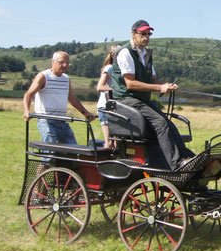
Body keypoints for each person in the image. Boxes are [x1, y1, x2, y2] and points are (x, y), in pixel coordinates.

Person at [110, 19, 194, 169]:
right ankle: (175, 164)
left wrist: (165, 85)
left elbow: (153, 79)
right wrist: (159, 88)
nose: (147, 37)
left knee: (168, 123)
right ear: (133, 34)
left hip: (140, 101)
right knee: (160, 123)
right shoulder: (125, 53)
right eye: (143, 34)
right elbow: (130, 83)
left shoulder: (146, 54)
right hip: (126, 100)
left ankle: (187, 157)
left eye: (149, 34)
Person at [23, 51, 96, 144]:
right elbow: (28, 95)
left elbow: (71, 98)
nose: (65, 65)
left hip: (62, 120)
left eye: (67, 63)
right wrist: (27, 111)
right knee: (50, 151)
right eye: (62, 62)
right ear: (53, 62)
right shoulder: (43, 77)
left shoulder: (66, 79)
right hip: (46, 120)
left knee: (73, 150)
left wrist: (85, 112)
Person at [96, 45, 118, 148]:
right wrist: (116, 90)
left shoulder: (122, 70)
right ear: (113, 55)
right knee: (109, 141)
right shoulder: (110, 68)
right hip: (105, 106)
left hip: (115, 107)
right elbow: (100, 87)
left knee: (117, 142)